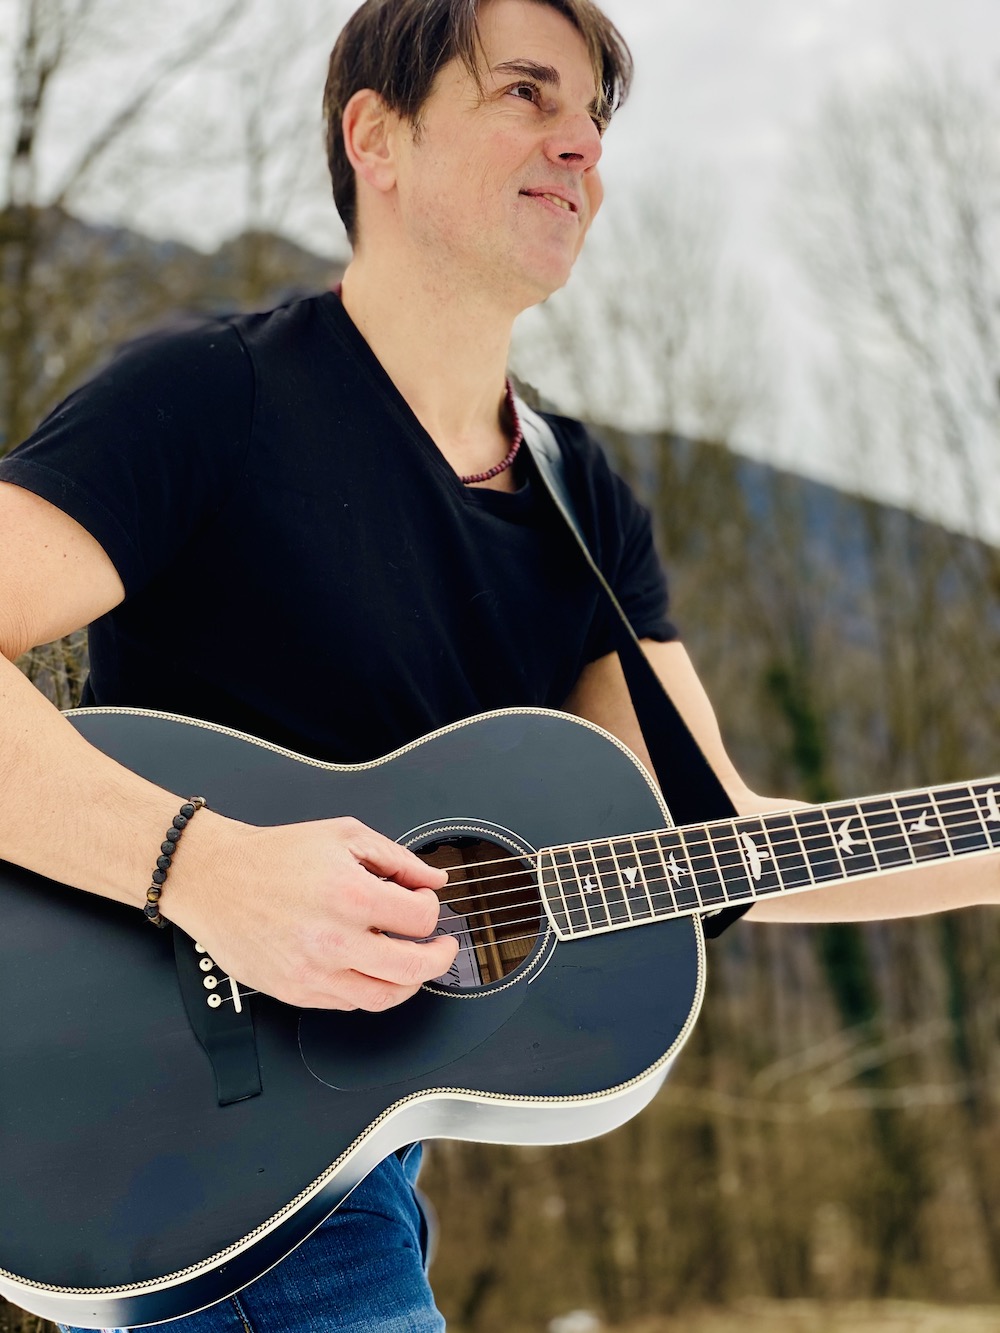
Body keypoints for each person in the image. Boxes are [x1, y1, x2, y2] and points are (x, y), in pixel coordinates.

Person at [0, 0, 997, 1329]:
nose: (581, 144)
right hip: (180, 1147)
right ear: (378, 137)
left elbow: (713, 839)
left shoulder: (584, 503)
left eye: (595, 115)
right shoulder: (210, 395)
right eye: (528, 93)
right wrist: (205, 867)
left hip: (340, 1161)